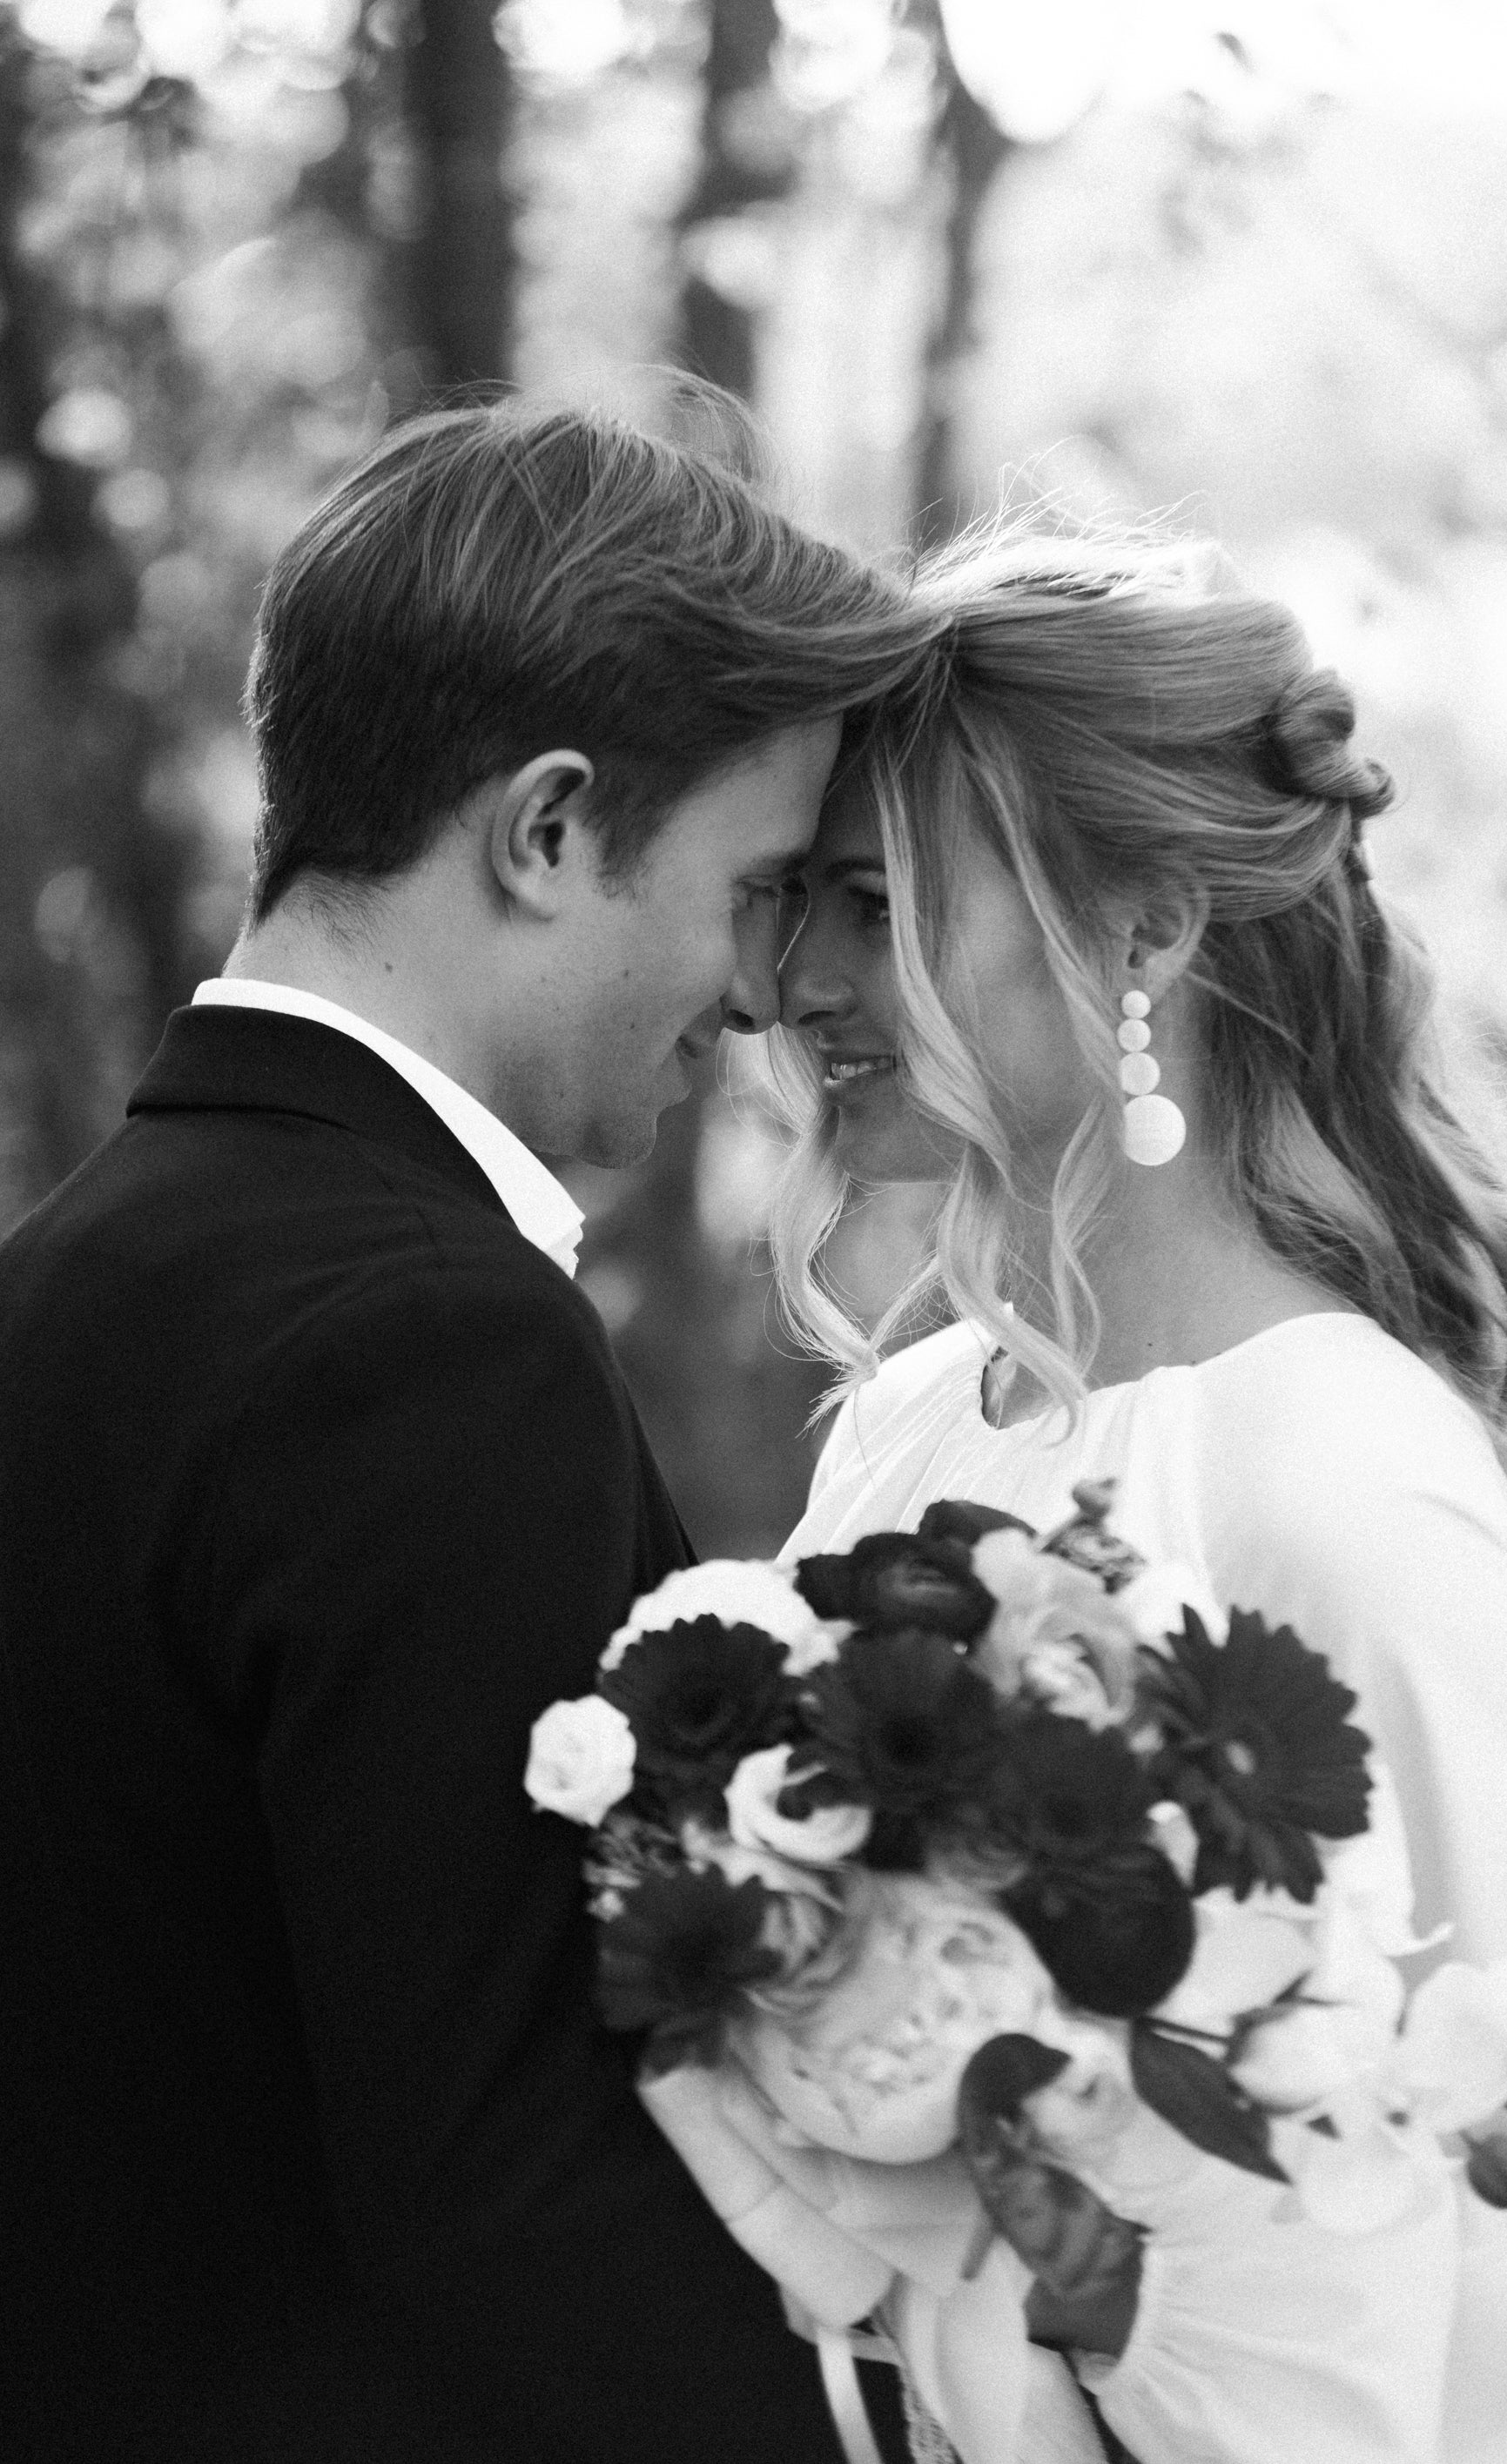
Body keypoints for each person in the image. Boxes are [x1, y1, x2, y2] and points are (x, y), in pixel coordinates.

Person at [0, 397, 940, 2462]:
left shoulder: (66, 1275)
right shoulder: (431, 1342)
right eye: (754, 888)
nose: (764, 996)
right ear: (550, 830)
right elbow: (509, 2192)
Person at [765, 528, 1507, 2464]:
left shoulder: (1334, 1474)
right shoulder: (900, 1425)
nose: (796, 984)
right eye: (796, 900)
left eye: (877, 902)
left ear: (1147, 932)